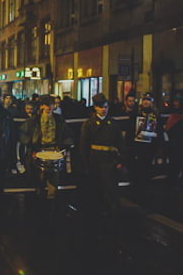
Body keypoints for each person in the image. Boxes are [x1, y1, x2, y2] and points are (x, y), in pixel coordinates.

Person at [80, 93, 125, 249]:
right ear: (95, 108)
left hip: (109, 161)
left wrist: (120, 161)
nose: (104, 110)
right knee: (96, 188)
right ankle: (97, 214)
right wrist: (85, 164)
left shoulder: (114, 124)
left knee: (111, 188)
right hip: (94, 161)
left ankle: (113, 215)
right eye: (101, 107)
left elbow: (121, 143)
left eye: (106, 107)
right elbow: (84, 146)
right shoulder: (89, 124)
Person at [20, 94, 74, 200]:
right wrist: (31, 145)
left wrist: (64, 147)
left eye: (51, 105)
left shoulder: (59, 120)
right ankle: (40, 199)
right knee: (39, 180)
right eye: (46, 105)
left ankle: (51, 200)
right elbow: (22, 134)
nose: (49, 107)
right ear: (41, 106)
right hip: (39, 150)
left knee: (54, 182)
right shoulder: (33, 121)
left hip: (54, 151)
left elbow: (69, 135)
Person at [129, 92, 162, 198]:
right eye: (144, 100)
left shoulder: (156, 115)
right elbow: (130, 130)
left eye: (148, 100)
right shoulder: (136, 113)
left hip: (149, 146)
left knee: (147, 168)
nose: (146, 102)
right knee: (136, 168)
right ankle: (137, 189)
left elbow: (159, 131)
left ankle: (144, 190)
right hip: (137, 146)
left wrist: (158, 146)